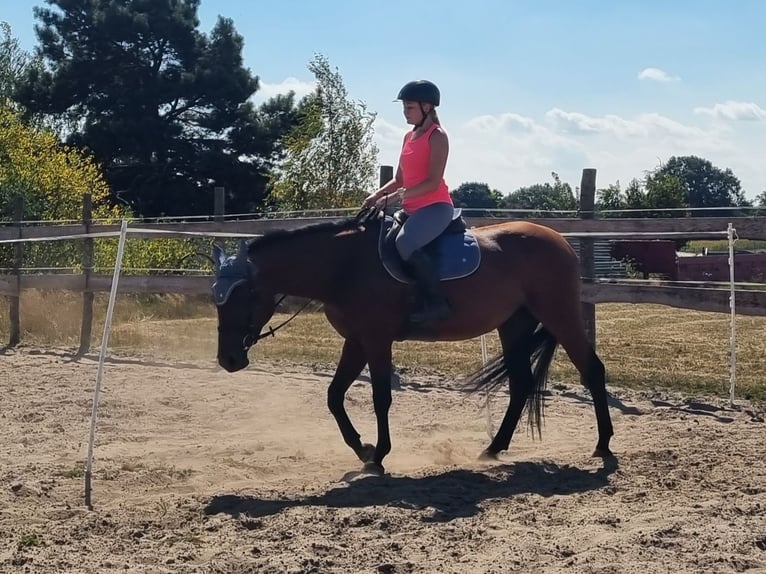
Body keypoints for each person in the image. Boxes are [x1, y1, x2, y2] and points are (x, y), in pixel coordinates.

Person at [362, 80, 454, 326]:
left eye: (410, 107)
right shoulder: (408, 136)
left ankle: (436, 303)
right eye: (404, 107)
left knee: (405, 244)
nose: (405, 111)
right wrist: (376, 195)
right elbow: (399, 179)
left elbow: (433, 183)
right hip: (411, 209)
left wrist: (394, 197)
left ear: (427, 107)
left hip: (435, 208)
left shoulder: (438, 137)